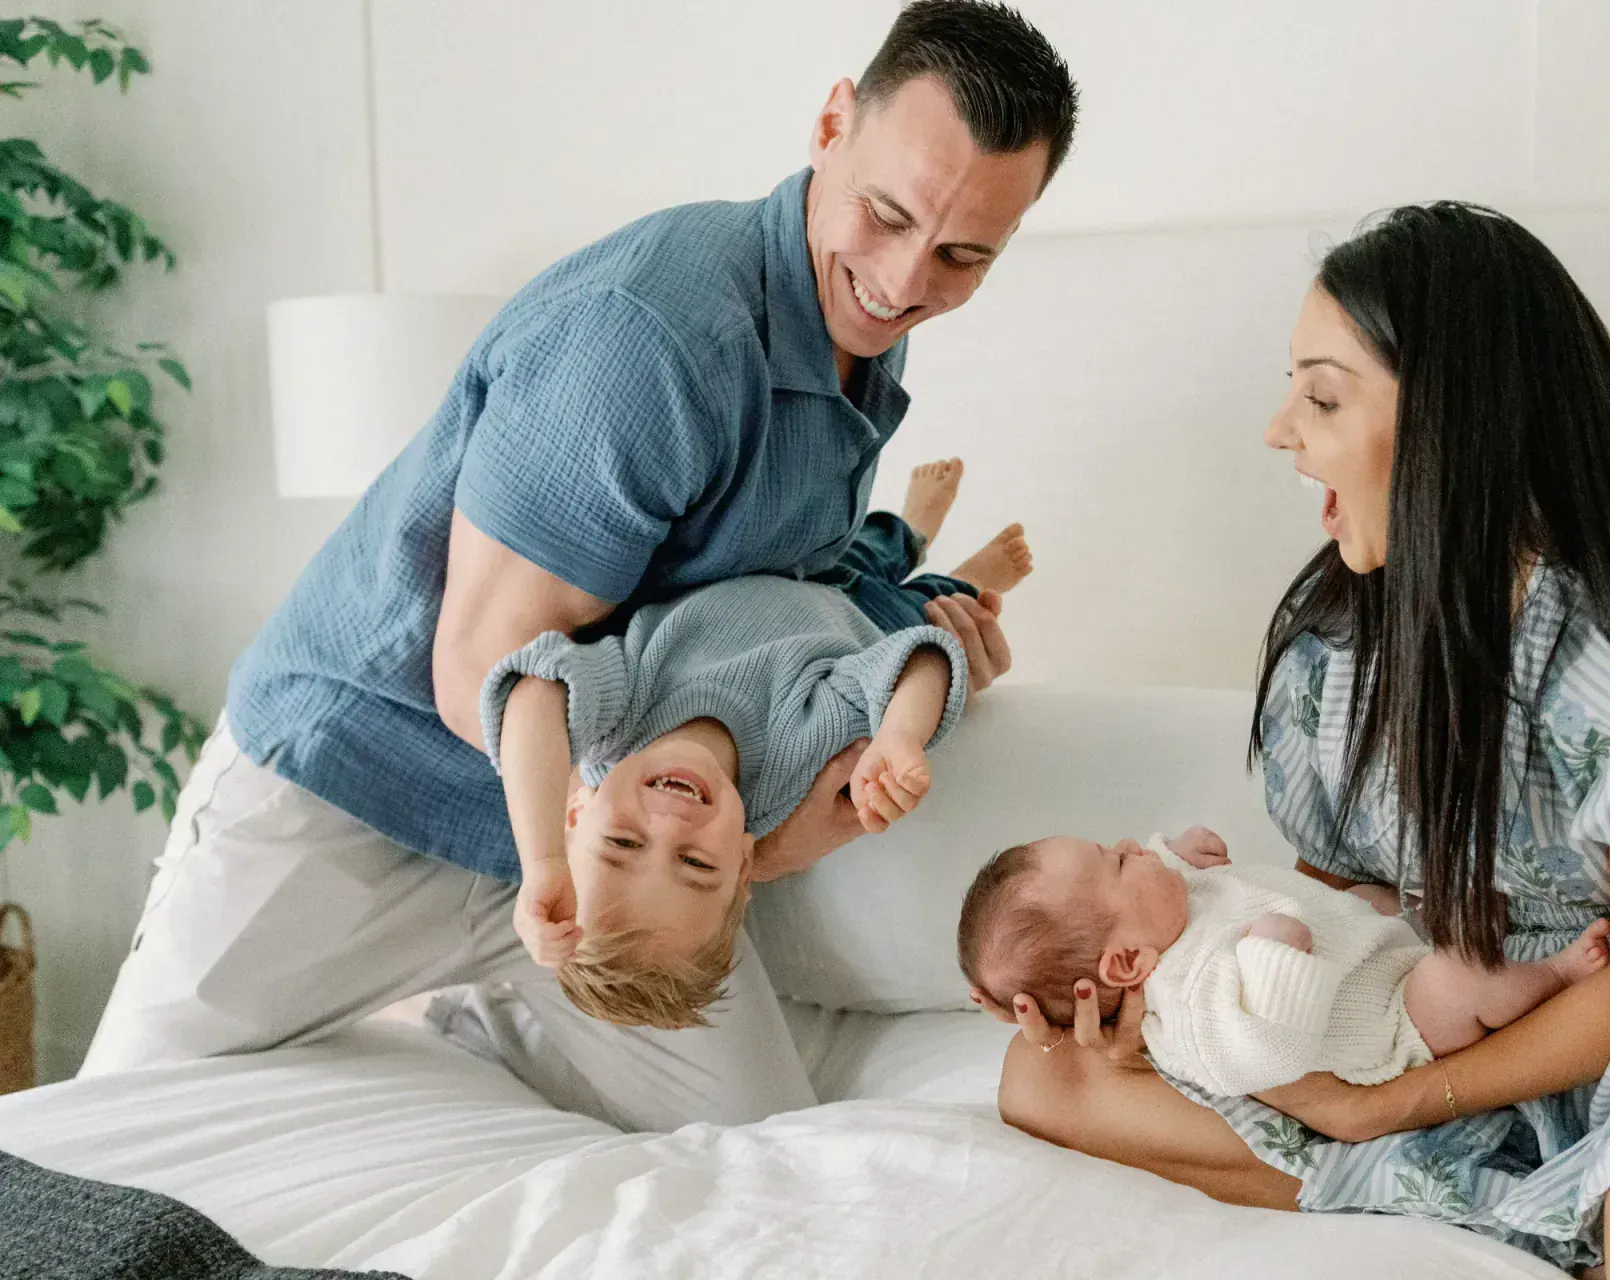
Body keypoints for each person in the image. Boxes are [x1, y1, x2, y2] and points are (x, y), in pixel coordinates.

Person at [82, 1, 1077, 1137]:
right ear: (831, 124)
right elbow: (481, 670)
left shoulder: (856, 326)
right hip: (361, 789)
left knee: (756, 1142)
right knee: (103, 1153)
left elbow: (769, 602)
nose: (903, 280)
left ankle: (485, 1019)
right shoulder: (650, 340)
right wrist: (692, 845)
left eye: (962, 254)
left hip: (610, 859)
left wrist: (924, 646)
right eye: (887, 214)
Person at [979, 204, 1610, 1277]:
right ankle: (1570, 1203)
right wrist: (1197, 1017)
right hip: (1441, 1023)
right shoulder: (1332, 650)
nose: (1280, 427)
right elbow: (1331, 908)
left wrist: (1385, 1107)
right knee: (1041, 1074)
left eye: (1323, 394)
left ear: (1447, 422)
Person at [489, 459, 1025, 1025]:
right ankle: (970, 575)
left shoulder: (616, 720)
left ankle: (915, 526)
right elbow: (912, 662)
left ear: (578, 807)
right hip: (857, 622)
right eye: (695, 863)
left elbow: (535, 690)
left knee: (874, 544)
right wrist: (899, 733)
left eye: (623, 843)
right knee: (938, 613)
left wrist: (543, 858)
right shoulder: (793, 762)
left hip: (792, 564)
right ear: (744, 865)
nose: (669, 824)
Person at [958, 826, 1610, 1095]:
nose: (1134, 843)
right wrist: (1273, 957)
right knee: (1453, 979)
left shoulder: (1163, 905)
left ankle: (1430, 920)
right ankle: (1557, 974)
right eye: (1118, 860)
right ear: (1128, 961)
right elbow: (1261, 1058)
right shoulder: (1188, 1009)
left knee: (1370, 896)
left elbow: (1164, 867)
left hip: (1366, 942)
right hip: (1396, 1023)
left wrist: (1183, 847)